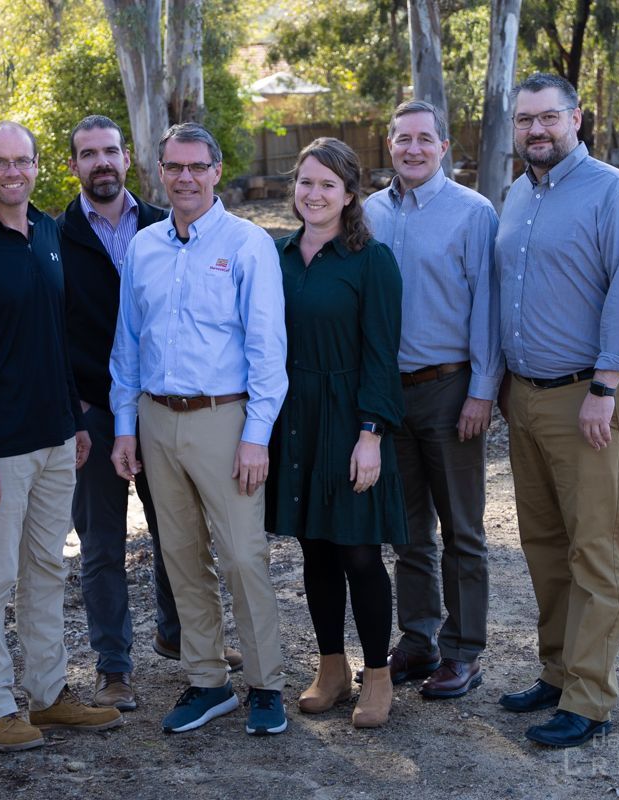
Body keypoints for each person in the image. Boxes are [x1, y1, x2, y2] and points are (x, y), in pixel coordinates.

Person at [0, 121, 123, 753]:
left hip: (56, 440)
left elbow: (54, 337)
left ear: (39, 167)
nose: (14, 173)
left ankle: (48, 695)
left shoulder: (47, 235)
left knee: (47, 570)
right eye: (0, 163)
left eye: (24, 162)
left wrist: (72, 420)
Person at [109, 122, 289, 736]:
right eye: (173, 167)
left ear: (216, 172)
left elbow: (268, 351)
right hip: (157, 420)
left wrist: (256, 435)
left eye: (196, 167)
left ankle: (265, 684)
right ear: (159, 172)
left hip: (226, 418)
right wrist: (125, 426)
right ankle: (208, 681)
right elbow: (126, 345)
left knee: (242, 555)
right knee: (180, 554)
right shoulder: (145, 248)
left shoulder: (247, 245)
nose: (184, 177)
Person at [495, 73, 619, 748]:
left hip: (589, 394)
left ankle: (589, 698)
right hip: (527, 397)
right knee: (544, 545)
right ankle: (558, 671)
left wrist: (604, 388)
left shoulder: (615, 194)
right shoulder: (515, 194)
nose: (537, 131)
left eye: (549, 119)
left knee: (596, 549)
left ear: (576, 119)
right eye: (526, 120)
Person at [57, 116, 240, 711]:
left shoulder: (167, 226)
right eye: (88, 154)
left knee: (178, 531)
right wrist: (77, 407)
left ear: (130, 158)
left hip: (163, 405)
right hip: (94, 412)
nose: (101, 162)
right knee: (103, 543)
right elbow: (45, 331)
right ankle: (114, 667)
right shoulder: (53, 238)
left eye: (110, 151)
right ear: (74, 166)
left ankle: (180, 633)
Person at [362, 100, 500, 699]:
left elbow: (489, 310)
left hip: (450, 390)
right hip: (390, 396)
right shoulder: (366, 212)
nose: (412, 148)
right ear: (388, 146)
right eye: (402, 139)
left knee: (462, 530)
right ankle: (417, 640)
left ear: (444, 147)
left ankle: (463, 650)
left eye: (424, 139)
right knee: (408, 531)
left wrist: (481, 392)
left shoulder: (473, 213)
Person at [267, 137, 406, 728]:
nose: (314, 193)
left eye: (327, 184)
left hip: (350, 419)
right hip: (293, 418)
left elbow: (382, 355)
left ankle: (378, 676)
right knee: (314, 547)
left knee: (357, 550)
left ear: (350, 194)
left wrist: (371, 433)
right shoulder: (275, 255)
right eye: (305, 182)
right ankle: (330, 668)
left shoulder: (371, 261)